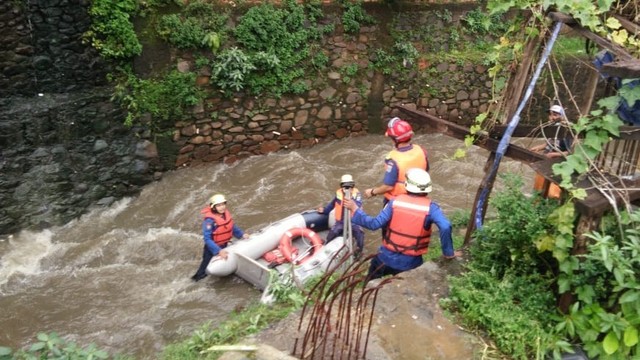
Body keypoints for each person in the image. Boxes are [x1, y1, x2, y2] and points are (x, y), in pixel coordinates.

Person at [343, 168, 462, 281]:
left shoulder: (394, 202)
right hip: (409, 264)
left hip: (383, 259)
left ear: (407, 185)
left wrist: (355, 209)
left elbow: (374, 224)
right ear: (427, 189)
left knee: (369, 288)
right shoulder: (432, 208)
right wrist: (448, 253)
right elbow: (445, 226)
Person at [363, 117, 429, 206]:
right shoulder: (421, 151)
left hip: (397, 203)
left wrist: (372, 192)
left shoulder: (393, 159)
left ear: (395, 140)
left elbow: (388, 186)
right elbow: (426, 171)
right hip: (419, 200)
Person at [191, 193, 249, 282]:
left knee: (224, 262)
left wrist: (242, 234)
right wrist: (218, 251)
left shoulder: (225, 214)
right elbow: (207, 239)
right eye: (218, 205)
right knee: (204, 267)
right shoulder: (209, 221)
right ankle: (196, 279)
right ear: (213, 207)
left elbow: (231, 227)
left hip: (224, 244)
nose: (222, 207)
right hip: (211, 248)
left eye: (223, 204)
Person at [530, 104, 573, 198]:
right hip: (545, 161)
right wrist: (537, 148)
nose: (551, 117)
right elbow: (549, 143)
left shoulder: (566, 130)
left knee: (552, 194)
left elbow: (570, 152)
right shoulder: (551, 129)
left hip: (559, 164)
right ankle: (537, 203)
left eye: (555, 115)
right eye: (550, 114)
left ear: (562, 116)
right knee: (538, 189)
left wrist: (553, 154)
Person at [317, 174, 365, 258]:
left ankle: (358, 253)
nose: (347, 188)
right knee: (333, 233)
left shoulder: (356, 194)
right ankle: (325, 248)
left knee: (360, 234)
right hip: (341, 221)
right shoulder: (338, 193)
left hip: (353, 221)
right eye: (344, 185)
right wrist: (324, 210)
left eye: (349, 185)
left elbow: (358, 204)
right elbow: (332, 204)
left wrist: (350, 198)